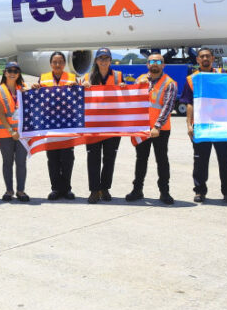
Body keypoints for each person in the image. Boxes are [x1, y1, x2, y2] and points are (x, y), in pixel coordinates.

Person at [180, 47, 227, 204]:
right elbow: (189, 103)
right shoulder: (192, 79)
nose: (205, 59)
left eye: (208, 56)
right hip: (201, 126)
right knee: (200, 161)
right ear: (197, 60)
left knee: (225, 160)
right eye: (202, 56)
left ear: (213, 59)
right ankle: (199, 191)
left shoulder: (222, 76)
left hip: (220, 125)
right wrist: (189, 125)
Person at [126, 52, 177, 204]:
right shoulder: (140, 79)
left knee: (162, 160)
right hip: (142, 128)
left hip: (160, 130)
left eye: (158, 61)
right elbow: (132, 99)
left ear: (163, 65)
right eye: (152, 61)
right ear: (147, 64)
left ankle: (164, 192)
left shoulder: (170, 83)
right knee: (141, 160)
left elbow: (168, 107)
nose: (155, 64)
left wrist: (157, 126)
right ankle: (137, 190)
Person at [34, 51, 79, 200]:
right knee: (52, 159)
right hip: (50, 125)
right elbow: (36, 99)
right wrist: (34, 88)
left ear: (65, 64)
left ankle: (66, 189)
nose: (58, 65)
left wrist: (79, 86)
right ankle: (55, 189)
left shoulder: (72, 78)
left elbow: (80, 99)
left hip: (67, 124)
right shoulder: (43, 78)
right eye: (55, 62)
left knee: (67, 159)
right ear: (51, 64)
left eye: (60, 62)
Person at [83, 48, 125, 204]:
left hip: (113, 125)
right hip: (93, 125)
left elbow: (128, 96)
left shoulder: (118, 76)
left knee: (109, 158)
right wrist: (83, 86)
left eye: (106, 58)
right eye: (100, 58)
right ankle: (94, 190)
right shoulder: (87, 77)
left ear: (110, 60)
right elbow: (79, 97)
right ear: (96, 61)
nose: (103, 61)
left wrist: (123, 86)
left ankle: (105, 188)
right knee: (93, 158)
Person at [0, 61, 30, 202]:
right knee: (7, 162)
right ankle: (9, 190)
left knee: (21, 162)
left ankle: (21, 190)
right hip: (5, 133)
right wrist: (11, 131)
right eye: (10, 71)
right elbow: (1, 114)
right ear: (5, 72)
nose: (12, 73)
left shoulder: (25, 88)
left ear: (19, 73)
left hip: (22, 133)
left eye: (16, 71)